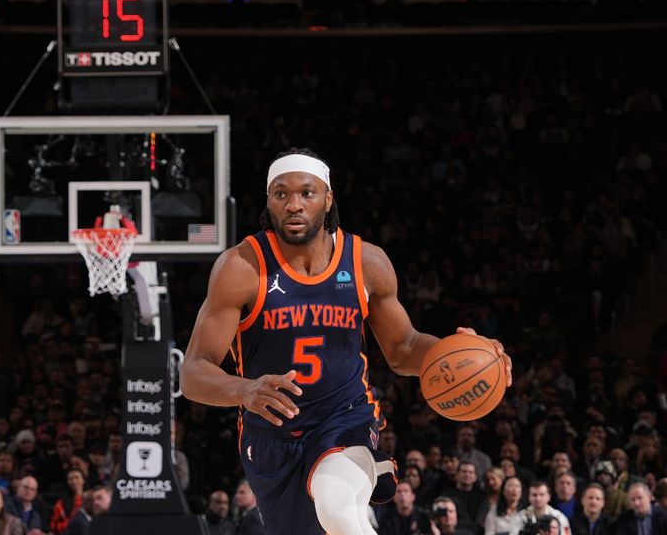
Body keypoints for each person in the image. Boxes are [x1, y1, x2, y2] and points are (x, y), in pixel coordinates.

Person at [180, 148, 512, 535]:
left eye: (307, 192)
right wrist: (246, 389)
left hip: (345, 416)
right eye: (281, 194)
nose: (294, 205)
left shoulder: (366, 263)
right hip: (272, 436)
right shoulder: (241, 267)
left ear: (328, 198)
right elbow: (192, 373)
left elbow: (403, 349)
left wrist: (455, 352)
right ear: (268, 201)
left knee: (338, 509)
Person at [49, 469, 84, 534]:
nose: (74, 481)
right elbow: (54, 526)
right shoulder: (60, 503)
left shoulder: (92, 500)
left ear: (83, 480)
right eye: (70, 479)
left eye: (77, 477)